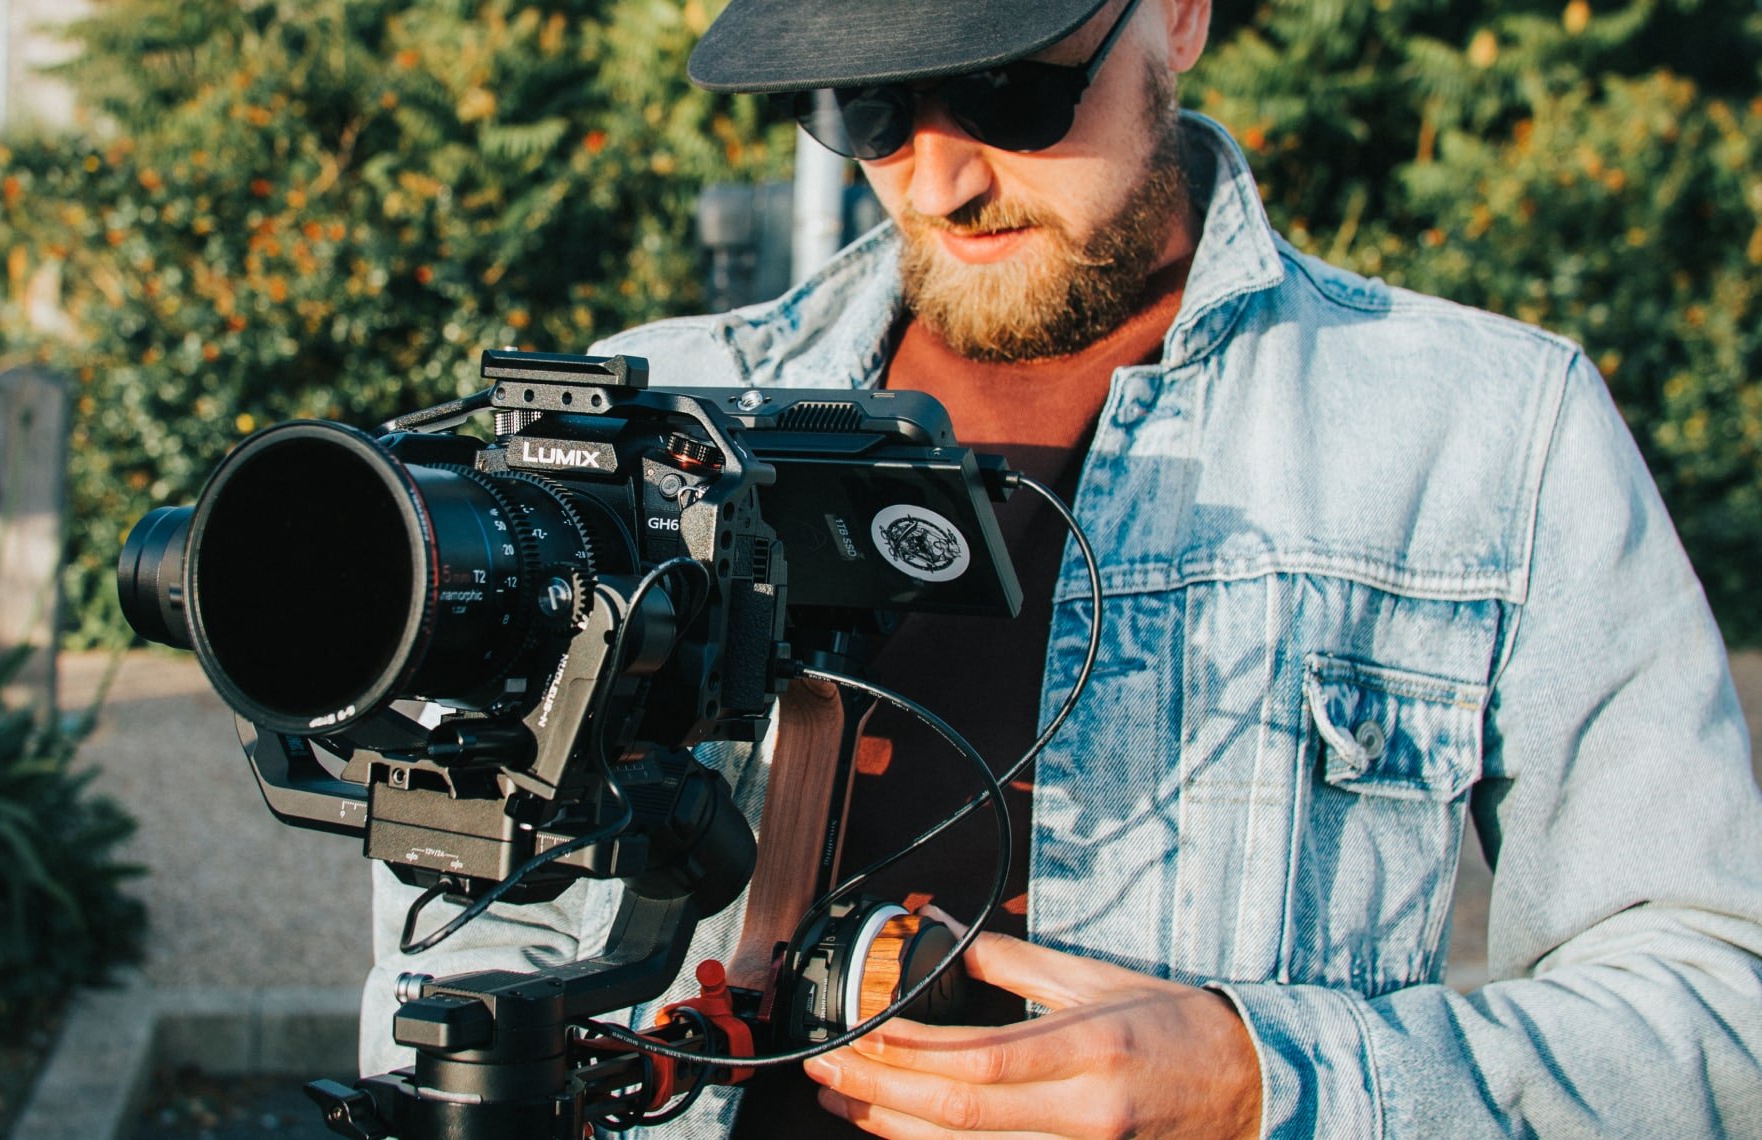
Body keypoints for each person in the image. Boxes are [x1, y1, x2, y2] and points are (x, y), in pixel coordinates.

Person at [363, 0, 1762, 1134]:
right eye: (865, 108)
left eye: (1010, 91)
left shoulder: (1490, 435)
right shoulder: (636, 418)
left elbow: (1716, 1012)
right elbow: (463, 949)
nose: (940, 180)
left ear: (1179, 16)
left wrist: (1264, 1084)